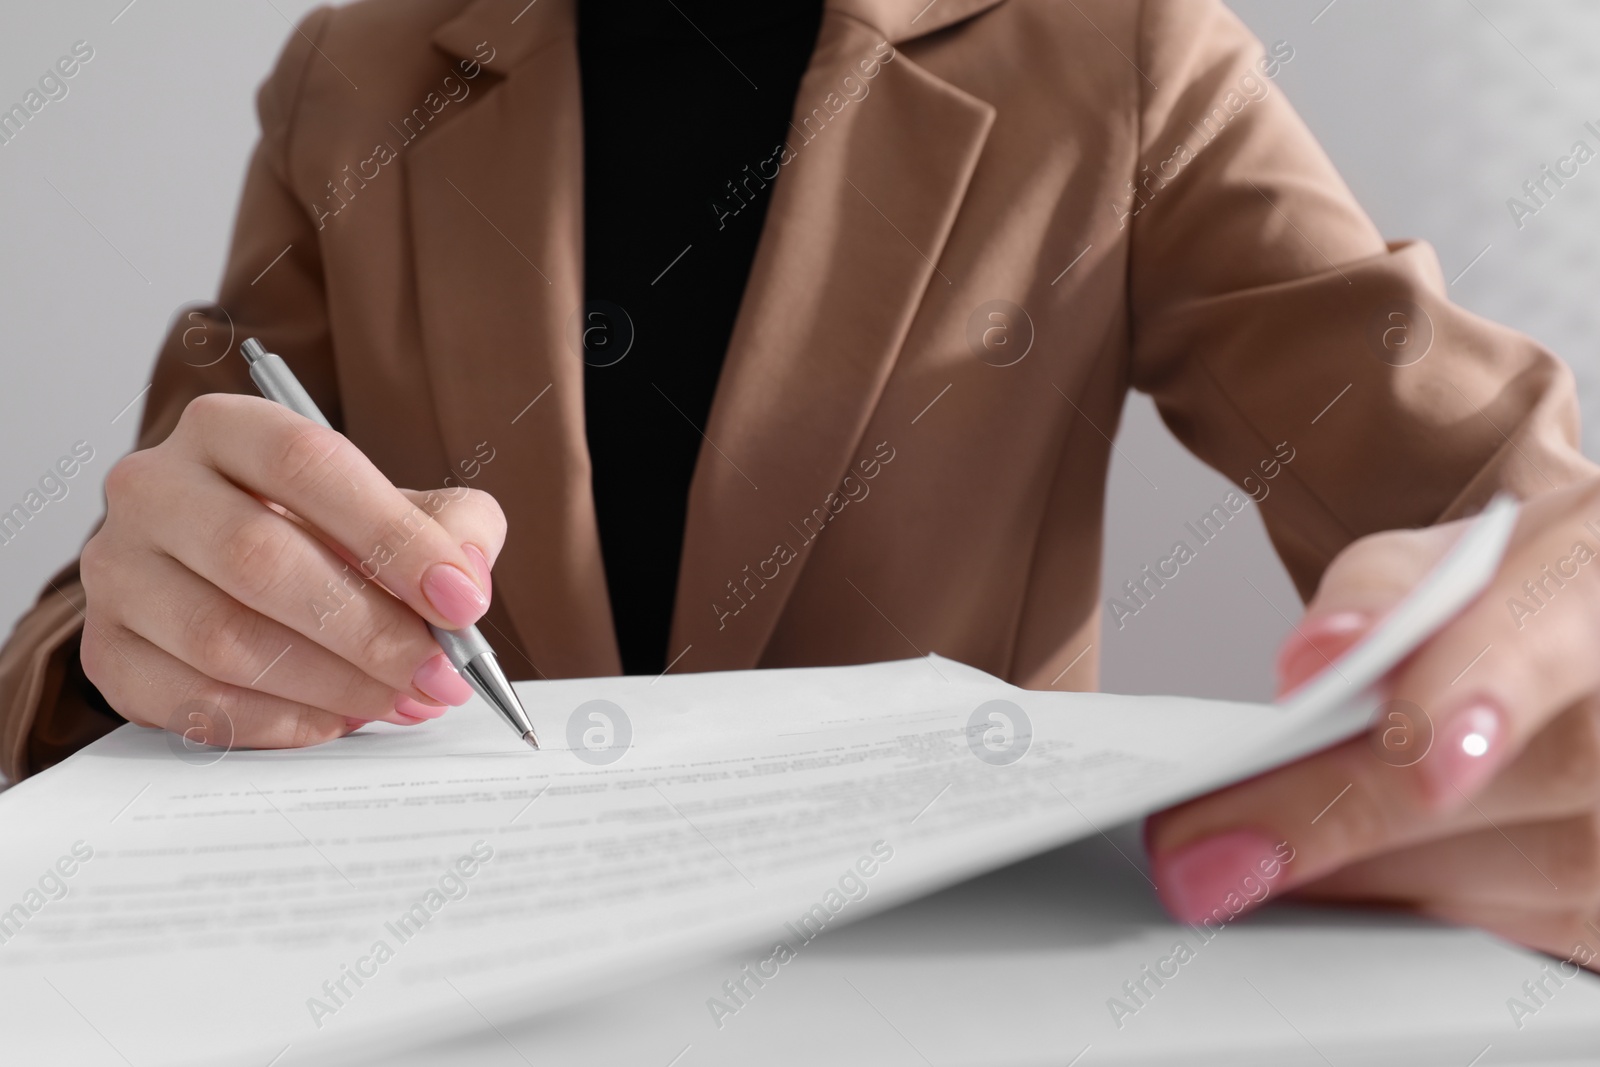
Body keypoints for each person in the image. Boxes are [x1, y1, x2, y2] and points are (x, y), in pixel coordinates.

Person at [3, 0, 1598, 970]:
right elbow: (139, 576)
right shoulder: (356, 75)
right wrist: (132, 643)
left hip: (937, 998)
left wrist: (1552, 618)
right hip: (446, 994)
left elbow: (1491, 490)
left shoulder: (1115, 53)